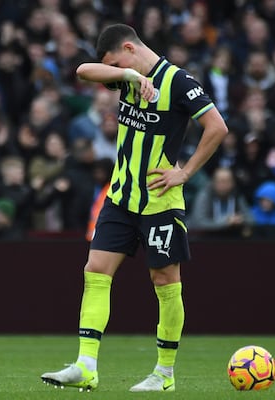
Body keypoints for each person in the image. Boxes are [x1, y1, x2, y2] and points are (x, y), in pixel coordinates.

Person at [41, 23, 228, 392]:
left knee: (165, 281)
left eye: (117, 62)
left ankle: (164, 374)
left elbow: (216, 126)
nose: (112, 73)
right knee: (95, 269)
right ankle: (86, 365)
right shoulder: (128, 76)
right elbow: (82, 71)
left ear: (130, 47)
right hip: (121, 197)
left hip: (159, 201)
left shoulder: (178, 81)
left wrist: (186, 173)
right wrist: (124, 72)